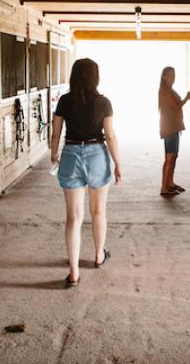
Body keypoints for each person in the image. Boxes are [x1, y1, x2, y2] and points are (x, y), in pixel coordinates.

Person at [50, 58, 122, 288]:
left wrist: (54, 156)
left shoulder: (64, 101)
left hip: (71, 154)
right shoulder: (104, 102)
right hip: (96, 154)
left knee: (73, 217)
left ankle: (73, 272)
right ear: (95, 77)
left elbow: (56, 133)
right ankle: (99, 256)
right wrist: (117, 163)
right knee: (98, 211)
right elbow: (110, 136)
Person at [158, 66, 190, 196]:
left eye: (174, 75)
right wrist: (187, 98)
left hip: (174, 126)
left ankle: (170, 183)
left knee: (174, 156)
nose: (172, 77)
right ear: (164, 77)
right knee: (170, 157)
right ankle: (164, 187)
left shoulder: (169, 90)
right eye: (169, 75)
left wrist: (186, 98)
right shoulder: (165, 91)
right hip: (169, 127)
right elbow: (176, 106)